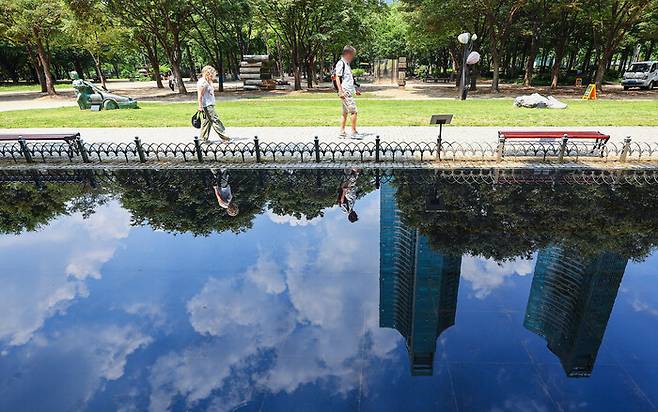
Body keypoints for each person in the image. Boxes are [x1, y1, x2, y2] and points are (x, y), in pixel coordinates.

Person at [197, 65, 230, 143]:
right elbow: (200, 96)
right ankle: (225, 138)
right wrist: (200, 106)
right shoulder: (203, 83)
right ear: (208, 73)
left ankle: (202, 138)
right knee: (215, 120)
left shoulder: (207, 81)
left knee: (207, 122)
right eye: (213, 74)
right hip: (207, 105)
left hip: (209, 104)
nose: (214, 75)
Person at [334, 46, 361, 138]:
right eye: (352, 55)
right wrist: (340, 91)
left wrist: (355, 90)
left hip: (348, 91)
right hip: (345, 92)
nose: (353, 57)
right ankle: (353, 132)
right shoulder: (341, 63)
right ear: (348, 54)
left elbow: (348, 80)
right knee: (354, 111)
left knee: (345, 112)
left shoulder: (347, 64)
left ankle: (342, 132)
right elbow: (337, 77)